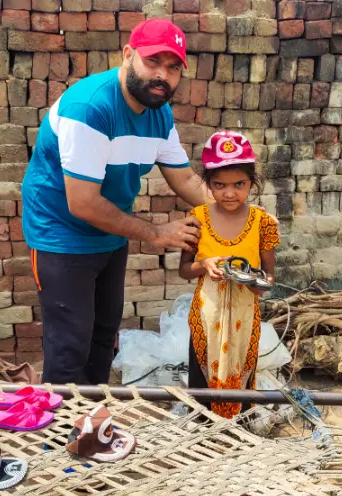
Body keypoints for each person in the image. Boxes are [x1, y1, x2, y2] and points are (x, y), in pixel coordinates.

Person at [21, 19, 208, 384]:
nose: (162, 75)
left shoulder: (158, 112)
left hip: (110, 232)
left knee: (104, 337)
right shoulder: (90, 108)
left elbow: (185, 179)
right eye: (153, 62)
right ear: (127, 55)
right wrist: (158, 233)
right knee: (69, 347)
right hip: (61, 235)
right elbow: (84, 204)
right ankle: (60, 422)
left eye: (173, 68)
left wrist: (238, 212)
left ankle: (92, 415)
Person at [179, 131, 280, 419]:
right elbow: (184, 270)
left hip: (244, 317)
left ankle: (238, 429)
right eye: (219, 185)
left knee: (241, 375)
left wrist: (260, 284)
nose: (229, 193)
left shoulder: (263, 223)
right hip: (206, 316)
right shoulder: (196, 218)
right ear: (208, 184)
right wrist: (205, 264)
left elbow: (268, 275)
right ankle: (201, 430)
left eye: (239, 184)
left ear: (251, 183)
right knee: (202, 382)